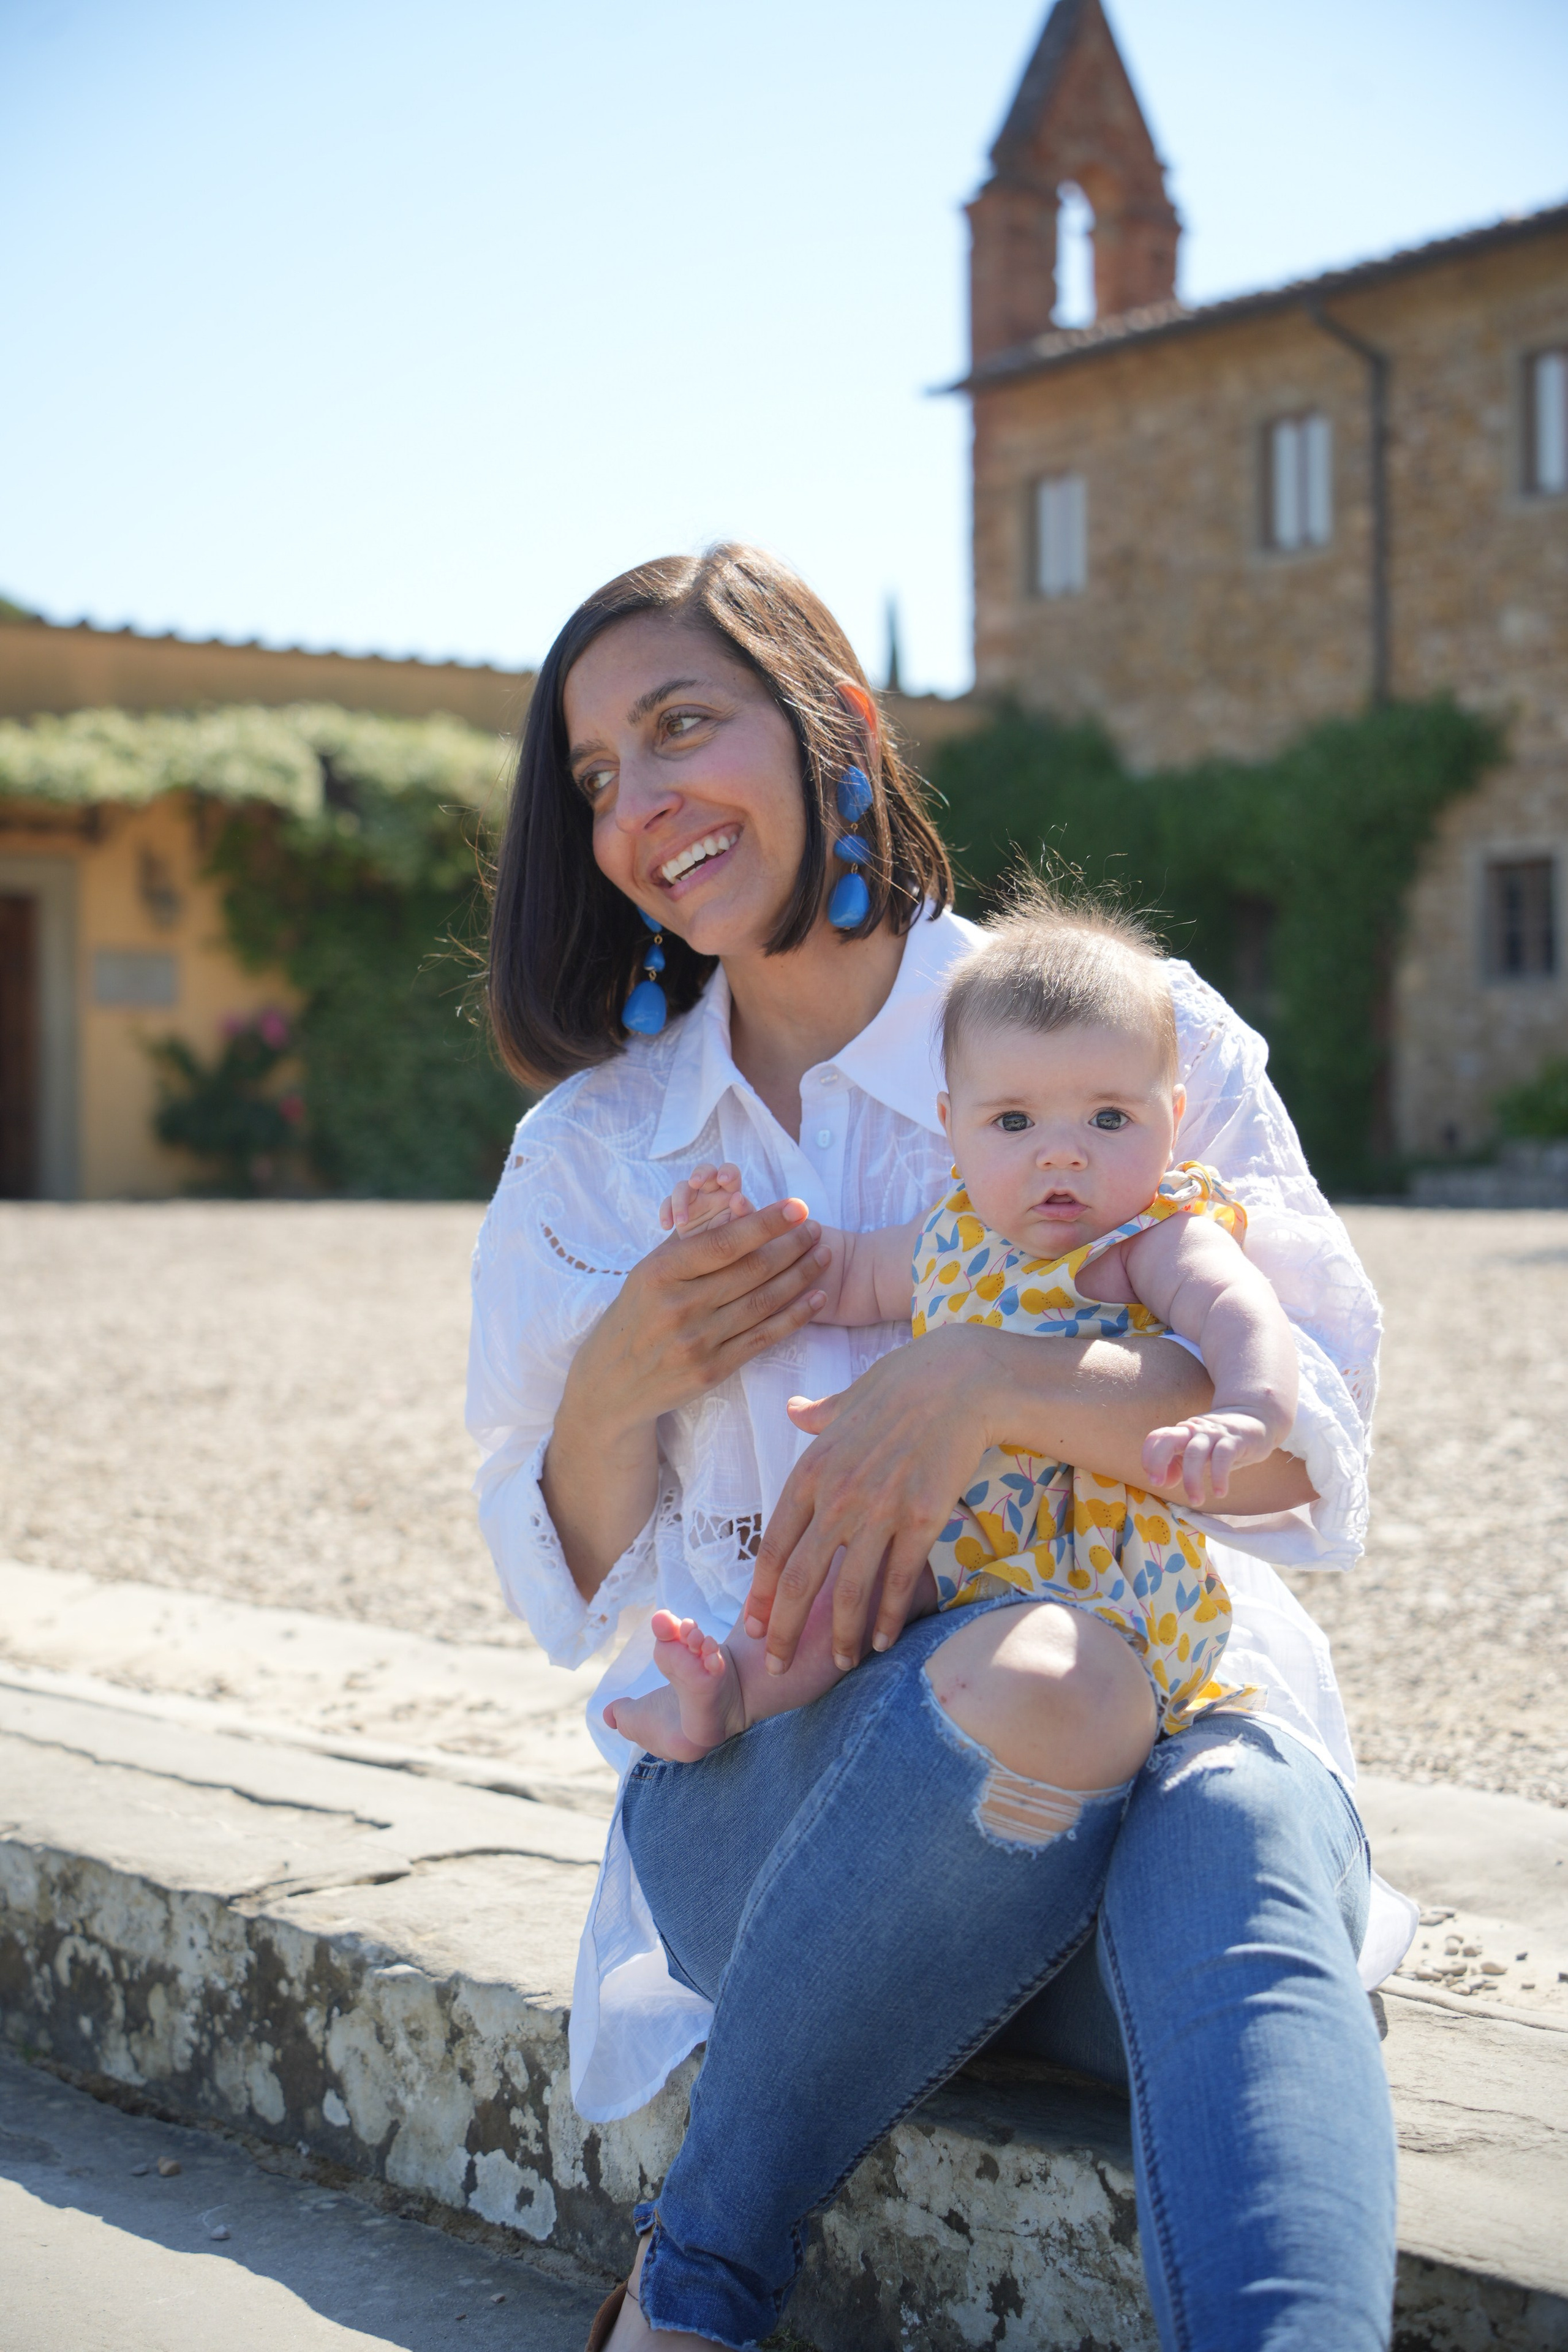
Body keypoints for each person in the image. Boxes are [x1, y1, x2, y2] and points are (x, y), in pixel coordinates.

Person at [469, 543, 1409, 2351]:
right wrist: (610, 1391)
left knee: (1239, 1792)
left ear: (838, 729)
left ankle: (683, 2305)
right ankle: (705, 2274)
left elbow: (1311, 1443)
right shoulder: (596, 1156)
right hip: (800, 1855)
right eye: (597, 779)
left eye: (683, 726)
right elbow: (565, 1579)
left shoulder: (1127, 1029)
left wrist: (977, 1377)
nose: (642, 804)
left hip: (1146, 1813)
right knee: (1057, 1680)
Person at [611, 889, 1300, 1770]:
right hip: (961, 1533)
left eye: (1109, 1118)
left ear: (1172, 1115)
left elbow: (1238, 1308)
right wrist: (733, 1235)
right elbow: (840, 1275)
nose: (1062, 1152)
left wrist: (1249, 1409)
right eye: (1014, 1121)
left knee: (1023, 1671)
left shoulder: (1150, 1237)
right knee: (836, 1597)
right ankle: (728, 1694)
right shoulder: (952, 1234)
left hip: (1098, 1567)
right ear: (952, 1128)